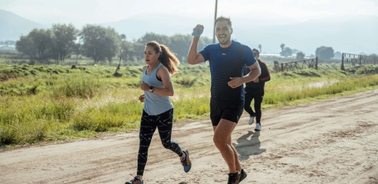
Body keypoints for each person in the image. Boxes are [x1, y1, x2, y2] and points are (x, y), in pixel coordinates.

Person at [187, 16, 261, 184]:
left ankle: (233, 175)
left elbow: (256, 71)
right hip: (216, 101)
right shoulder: (211, 49)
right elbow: (191, 60)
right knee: (225, 142)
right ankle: (240, 171)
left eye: (224, 29)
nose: (221, 32)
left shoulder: (243, 50)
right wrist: (196, 37)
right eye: (218, 29)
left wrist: (242, 80)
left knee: (218, 140)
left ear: (231, 30)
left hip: (235, 101)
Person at [126, 41, 191, 184]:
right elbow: (151, 90)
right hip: (148, 112)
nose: (146, 56)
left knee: (166, 143)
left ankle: (183, 154)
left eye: (150, 53)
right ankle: (139, 178)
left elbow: (170, 92)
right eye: (145, 53)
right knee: (143, 144)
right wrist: (147, 96)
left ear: (158, 54)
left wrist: (149, 89)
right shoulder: (145, 69)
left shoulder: (162, 70)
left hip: (164, 113)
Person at [244, 48, 271, 131]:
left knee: (257, 106)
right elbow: (242, 75)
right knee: (244, 104)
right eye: (252, 54)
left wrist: (259, 80)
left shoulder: (262, 64)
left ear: (258, 56)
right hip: (248, 88)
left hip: (258, 89)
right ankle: (252, 114)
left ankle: (258, 124)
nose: (253, 56)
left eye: (255, 54)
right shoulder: (246, 65)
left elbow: (268, 77)